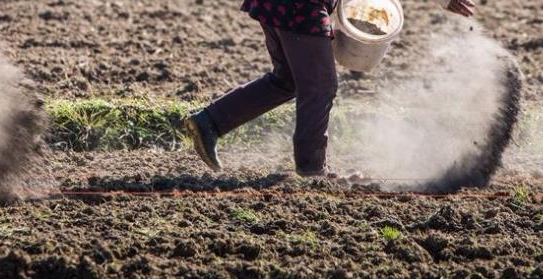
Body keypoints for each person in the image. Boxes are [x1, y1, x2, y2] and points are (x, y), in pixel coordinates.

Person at [185, 0, 476, 177]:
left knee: (288, 79)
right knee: (320, 87)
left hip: (281, 5)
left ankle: (209, 122)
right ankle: (312, 169)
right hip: (300, 7)